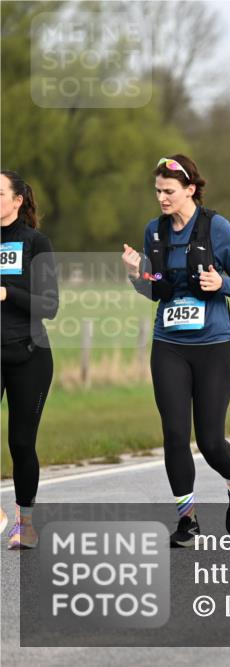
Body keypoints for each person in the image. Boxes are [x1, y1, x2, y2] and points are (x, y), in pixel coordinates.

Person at [121, 155, 230, 547]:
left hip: (213, 346)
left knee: (210, 441)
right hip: (169, 345)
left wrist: (222, 284)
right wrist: (136, 276)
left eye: (169, 191)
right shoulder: (155, 232)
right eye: (158, 191)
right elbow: (156, 288)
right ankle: (188, 520)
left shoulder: (218, 228)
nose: (162, 198)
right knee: (175, 434)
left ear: (190, 190)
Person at [0, 171, 58, 549]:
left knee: (21, 443)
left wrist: (7, 292)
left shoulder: (36, 242)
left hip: (29, 355)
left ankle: (25, 523)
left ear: (17, 200)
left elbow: (49, 306)